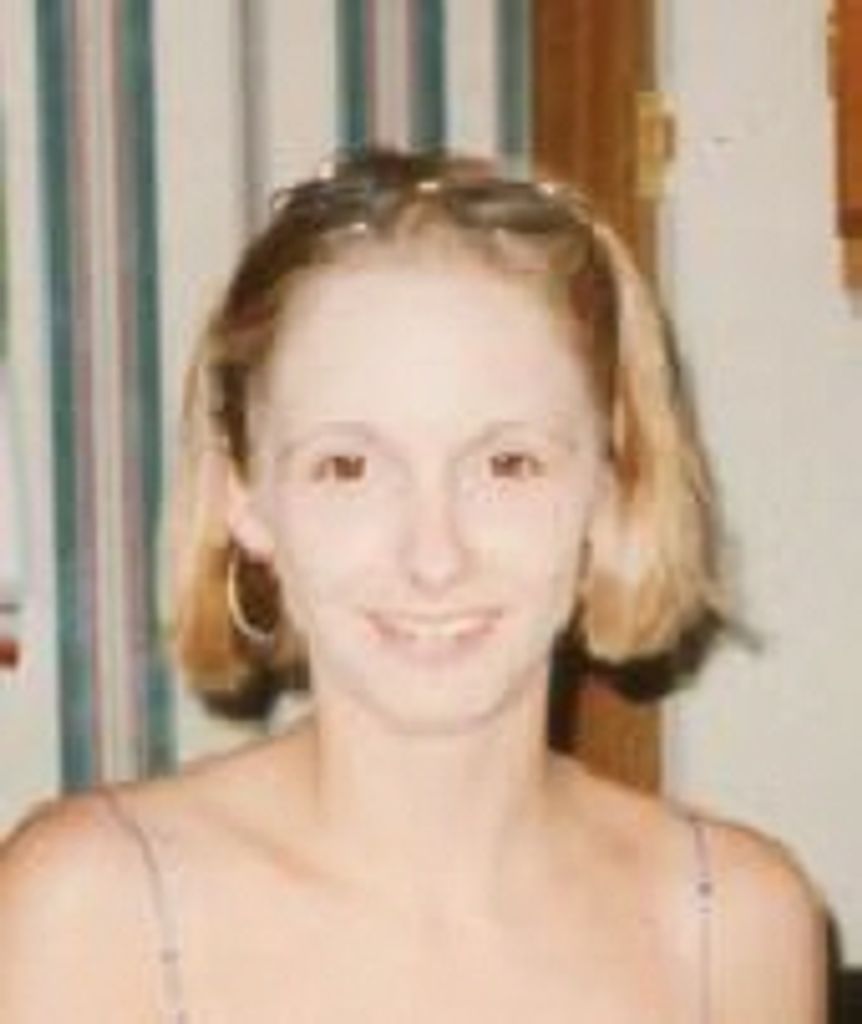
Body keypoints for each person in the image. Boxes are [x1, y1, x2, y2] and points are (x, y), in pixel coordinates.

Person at [0, 149, 826, 1021]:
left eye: (508, 463)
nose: (435, 557)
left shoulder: (733, 922)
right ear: (247, 496)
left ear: (613, 485)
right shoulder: (94, 910)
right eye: (348, 466)